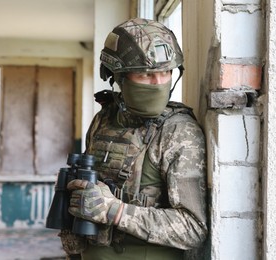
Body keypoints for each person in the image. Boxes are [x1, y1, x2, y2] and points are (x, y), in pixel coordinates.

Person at [60, 18, 208, 260]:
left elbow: (192, 228)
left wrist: (114, 211)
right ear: (118, 77)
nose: (158, 83)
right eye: (145, 74)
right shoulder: (103, 119)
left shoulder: (177, 131)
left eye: (165, 72)